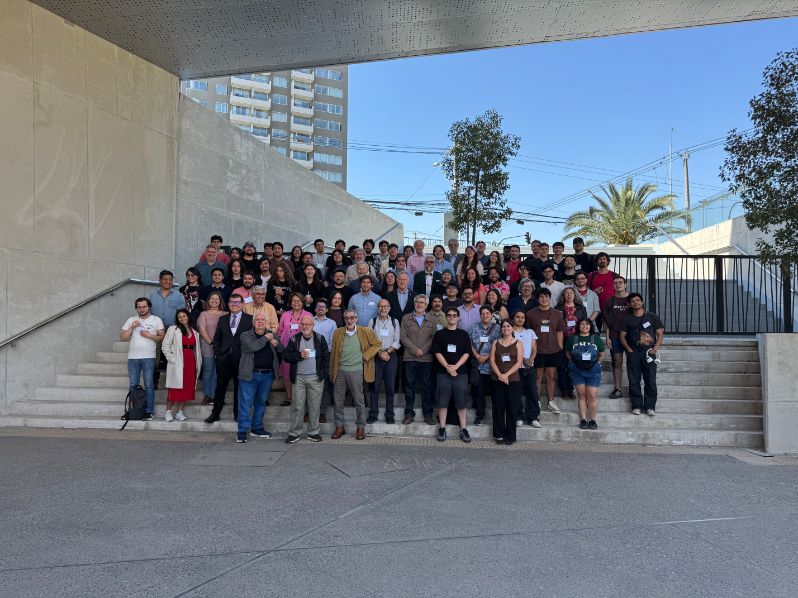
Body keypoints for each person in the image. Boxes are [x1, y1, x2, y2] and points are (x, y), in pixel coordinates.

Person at [329, 309, 382, 440]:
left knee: (359, 400)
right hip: (340, 370)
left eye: (352, 318)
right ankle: (339, 427)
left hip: (356, 370)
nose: (349, 320)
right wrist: (332, 371)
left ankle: (360, 428)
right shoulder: (338, 332)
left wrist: (365, 356)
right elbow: (334, 354)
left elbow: (377, 344)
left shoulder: (365, 331)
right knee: (338, 400)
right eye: (347, 318)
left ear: (356, 319)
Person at [205, 293, 252, 424]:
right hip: (224, 358)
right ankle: (215, 414)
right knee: (220, 387)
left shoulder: (249, 319)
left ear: (242, 304)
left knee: (239, 388)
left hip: (241, 359)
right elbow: (217, 338)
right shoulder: (223, 319)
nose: (234, 304)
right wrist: (218, 353)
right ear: (229, 303)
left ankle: (237, 414)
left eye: (237, 302)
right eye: (232, 302)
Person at [235, 312, 283, 443]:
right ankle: (242, 431)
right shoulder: (246, 335)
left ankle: (257, 428)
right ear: (253, 322)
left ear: (266, 322)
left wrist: (276, 343)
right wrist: (266, 338)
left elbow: (281, 350)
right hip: (249, 375)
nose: (260, 321)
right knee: (245, 403)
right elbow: (251, 347)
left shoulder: (272, 334)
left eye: (263, 319)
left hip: (267, 375)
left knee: (261, 403)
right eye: (258, 320)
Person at [282, 315, 330, 443]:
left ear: (313, 325)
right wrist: (299, 355)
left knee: (314, 406)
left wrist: (323, 374)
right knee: (297, 406)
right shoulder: (294, 339)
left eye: (308, 324)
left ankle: (313, 432)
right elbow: (286, 356)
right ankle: (294, 433)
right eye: (303, 324)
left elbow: (326, 357)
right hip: (299, 378)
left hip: (316, 378)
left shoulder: (320, 338)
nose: (305, 326)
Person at [431, 307, 473, 443]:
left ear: (458, 317)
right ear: (446, 317)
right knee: (442, 402)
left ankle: (463, 429)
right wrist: (448, 367)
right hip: (443, 373)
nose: (452, 317)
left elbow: (467, 353)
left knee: (461, 402)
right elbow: (437, 352)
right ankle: (442, 428)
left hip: (460, 373)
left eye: (455, 315)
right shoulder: (439, 334)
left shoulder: (464, 334)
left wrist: (456, 366)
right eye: (449, 315)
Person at [620, 293, 664, 417]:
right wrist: (628, 349)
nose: (635, 302)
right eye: (632, 301)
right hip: (633, 352)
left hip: (649, 352)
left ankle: (650, 406)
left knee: (650, 379)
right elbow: (622, 336)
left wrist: (655, 349)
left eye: (638, 300)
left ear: (642, 302)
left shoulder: (652, 317)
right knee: (634, 379)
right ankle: (637, 406)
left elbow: (660, 333)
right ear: (629, 304)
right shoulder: (627, 319)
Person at [120, 297, 165, 420]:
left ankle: (149, 411)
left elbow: (162, 337)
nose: (141, 309)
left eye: (144, 306)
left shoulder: (156, 320)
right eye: (139, 307)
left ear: (149, 307)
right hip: (133, 358)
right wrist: (131, 327)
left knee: (149, 384)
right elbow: (123, 338)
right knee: (133, 384)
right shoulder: (131, 320)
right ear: (136, 308)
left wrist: (149, 335)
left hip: (149, 357)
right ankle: (133, 411)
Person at [525, 288, 565, 414]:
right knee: (537, 376)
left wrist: (560, 347)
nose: (544, 299)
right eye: (541, 297)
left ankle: (551, 402)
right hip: (537, 351)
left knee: (551, 376)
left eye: (546, 297)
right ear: (538, 299)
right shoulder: (531, 314)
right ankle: (536, 401)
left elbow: (559, 331)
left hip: (553, 350)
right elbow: (528, 333)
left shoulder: (557, 314)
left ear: (549, 298)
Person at [400, 295, 438, 425]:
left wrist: (423, 350)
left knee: (427, 387)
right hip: (410, 357)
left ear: (426, 305)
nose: (419, 304)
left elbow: (434, 338)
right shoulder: (406, 318)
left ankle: (428, 414)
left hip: (426, 359)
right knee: (409, 386)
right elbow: (403, 337)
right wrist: (415, 350)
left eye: (422, 302)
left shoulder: (432, 319)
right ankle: (409, 413)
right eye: (417, 302)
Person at [161, 308, 202, 422]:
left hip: (190, 361)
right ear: (177, 319)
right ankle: (168, 412)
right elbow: (165, 346)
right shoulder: (173, 329)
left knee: (186, 388)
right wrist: (172, 359)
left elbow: (196, 348)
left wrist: (197, 362)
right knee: (174, 389)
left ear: (188, 317)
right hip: (178, 362)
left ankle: (180, 412)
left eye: (184, 316)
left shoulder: (194, 331)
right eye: (180, 317)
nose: (182, 318)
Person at [565, 318, 605, 430]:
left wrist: (597, 364)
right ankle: (583, 419)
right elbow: (568, 353)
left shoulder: (596, 338)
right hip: (577, 370)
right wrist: (573, 363)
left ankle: (592, 420)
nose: (584, 326)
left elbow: (601, 354)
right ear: (578, 326)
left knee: (592, 395)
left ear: (590, 326)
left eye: (587, 324)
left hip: (593, 371)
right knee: (581, 395)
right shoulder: (572, 338)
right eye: (582, 324)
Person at [489, 319, 524, 445]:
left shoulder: (518, 343)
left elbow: (519, 362)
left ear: (512, 329)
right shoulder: (495, 343)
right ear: (501, 329)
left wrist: (506, 375)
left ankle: (510, 435)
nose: (506, 328)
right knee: (498, 407)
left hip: (513, 379)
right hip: (497, 379)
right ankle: (499, 434)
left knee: (511, 407)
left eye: (508, 326)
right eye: (503, 326)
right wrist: (500, 375)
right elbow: (492, 360)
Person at [368, 299, 401, 424]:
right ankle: (373, 413)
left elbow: (397, 340)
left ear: (389, 308)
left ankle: (389, 414)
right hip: (376, 356)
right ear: (378, 308)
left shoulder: (394, 321)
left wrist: (387, 352)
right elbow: (369, 340)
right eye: (381, 306)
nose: (383, 308)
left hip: (391, 355)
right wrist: (379, 352)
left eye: (385, 306)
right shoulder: (372, 321)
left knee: (390, 386)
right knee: (374, 386)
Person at [277, 293, 313, 406]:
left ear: (303, 302)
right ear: (290, 302)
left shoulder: (308, 314)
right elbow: (280, 331)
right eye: (294, 301)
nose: (296, 303)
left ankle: (302, 397)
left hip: (303, 347)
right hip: (287, 348)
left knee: (301, 371)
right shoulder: (285, 315)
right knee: (287, 372)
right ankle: (289, 396)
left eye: (298, 301)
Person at [469, 306, 500, 426]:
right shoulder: (473, 328)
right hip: (478, 368)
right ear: (480, 315)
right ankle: (480, 416)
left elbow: (500, 345)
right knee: (479, 393)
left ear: (491, 315)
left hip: (493, 368)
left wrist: (487, 357)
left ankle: (496, 417)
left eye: (488, 313)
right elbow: (469, 343)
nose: (485, 315)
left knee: (495, 394)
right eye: (483, 313)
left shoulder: (498, 329)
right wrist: (477, 356)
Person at [511, 309, 540, 428]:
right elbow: (512, 348)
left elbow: (534, 348)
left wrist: (531, 359)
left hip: (529, 366)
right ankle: (518, 417)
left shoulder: (530, 332)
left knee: (532, 392)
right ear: (513, 318)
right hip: (516, 367)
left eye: (522, 317)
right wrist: (523, 359)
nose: (520, 319)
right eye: (518, 317)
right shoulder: (510, 331)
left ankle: (533, 417)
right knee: (516, 393)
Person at [197, 291, 226, 405]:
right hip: (208, 346)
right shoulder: (203, 314)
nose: (214, 301)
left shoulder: (225, 314)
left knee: (217, 373)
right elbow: (202, 330)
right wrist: (212, 343)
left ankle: (215, 396)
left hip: (222, 348)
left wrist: (220, 345)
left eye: (217, 299)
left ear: (220, 301)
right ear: (208, 301)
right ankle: (207, 395)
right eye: (212, 299)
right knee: (208, 371)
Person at [604, 276, 631, 399]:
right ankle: (618, 389)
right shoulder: (610, 301)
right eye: (615, 283)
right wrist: (607, 337)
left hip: (631, 337)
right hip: (615, 336)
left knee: (633, 363)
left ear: (625, 284)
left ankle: (634, 388)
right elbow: (607, 321)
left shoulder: (632, 299)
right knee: (617, 362)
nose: (618, 284)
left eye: (621, 282)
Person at [312, 298, 337, 423]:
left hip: (326, 356)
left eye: (323, 306)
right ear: (315, 309)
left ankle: (322, 412)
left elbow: (333, 341)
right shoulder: (310, 321)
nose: (321, 308)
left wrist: (327, 354)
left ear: (327, 309)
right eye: (318, 306)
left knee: (324, 385)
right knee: (310, 384)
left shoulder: (332, 323)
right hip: (311, 356)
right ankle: (309, 411)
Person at [588, 252, 616, 325]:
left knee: (611, 329)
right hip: (595, 308)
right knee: (595, 329)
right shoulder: (591, 275)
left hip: (611, 307)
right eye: (600, 259)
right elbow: (586, 291)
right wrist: (594, 292)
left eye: (604, 259)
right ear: (597, 262)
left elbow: (619, 290)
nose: (602, 261)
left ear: (608, 261)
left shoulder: (614, 275)